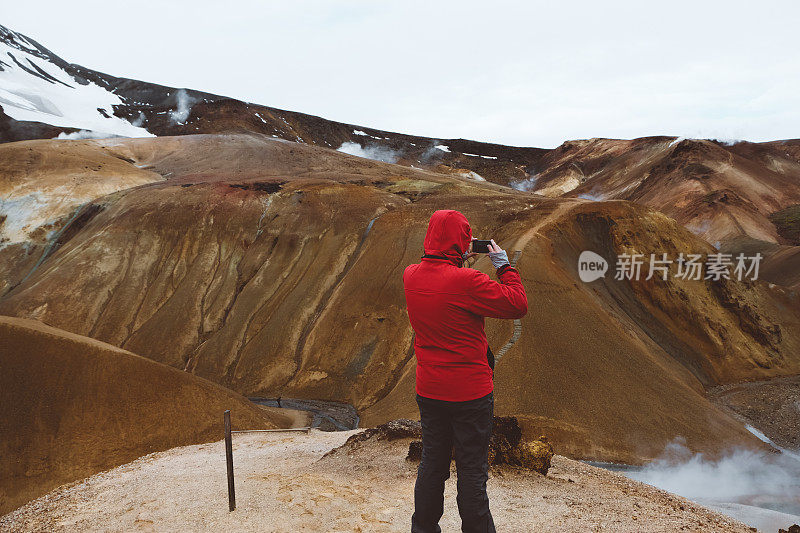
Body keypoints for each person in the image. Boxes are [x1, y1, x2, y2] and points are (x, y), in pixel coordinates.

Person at [403, 209, 528, 533]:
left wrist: (456, 258)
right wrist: (502, 264)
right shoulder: (468, 282)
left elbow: (443, 279)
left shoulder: (411, 276)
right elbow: (517, 304)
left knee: (432, 465)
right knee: (472, 471)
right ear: (461, 242)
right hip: (470, 394)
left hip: (429, 391)